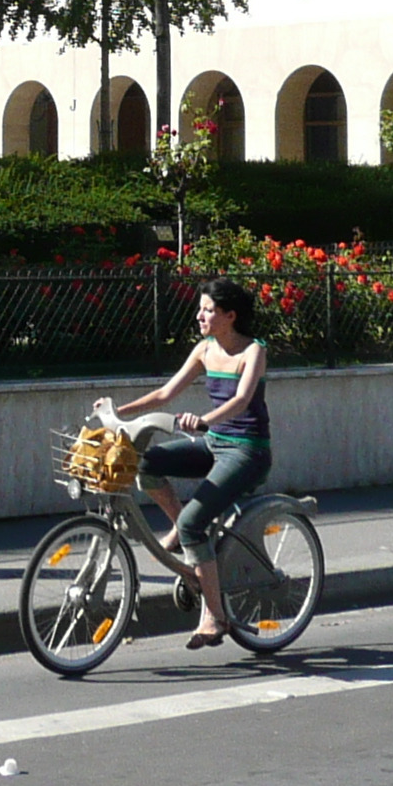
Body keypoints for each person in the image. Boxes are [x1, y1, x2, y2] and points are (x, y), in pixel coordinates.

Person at [114, 277, 273, 650]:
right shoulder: (205, 349)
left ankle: (216, 618)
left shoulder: (253, 351)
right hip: (214, 443)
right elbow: (165, 393)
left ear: (230, 316)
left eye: (208, 310)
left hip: (247, 451)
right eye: (200, 308)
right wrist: (118, 412)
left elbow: (242, 400)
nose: (200, 315)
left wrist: (204, 420)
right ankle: (183, 531)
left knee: (192, 524)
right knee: (146, 464)